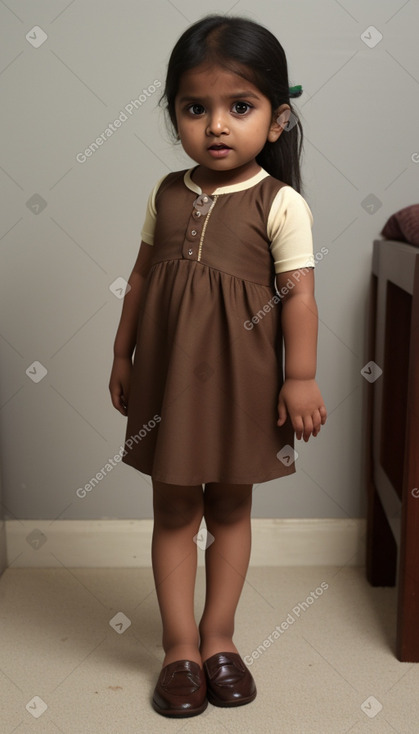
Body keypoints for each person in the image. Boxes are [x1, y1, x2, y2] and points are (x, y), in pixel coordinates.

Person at [109, 13, 327, 718]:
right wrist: (120, 353)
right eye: (194, 108)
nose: (216, 125)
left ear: (276, 118)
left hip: (244, 385)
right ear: (174, 115)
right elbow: (140, 281)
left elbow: (297, 299)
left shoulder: (279, 202)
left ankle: (219, 640)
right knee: (173, 505)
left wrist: (300, 377)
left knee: (230, 504)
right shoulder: (165, 192)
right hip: (166, 383)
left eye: (240, 106)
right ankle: (177, 648)